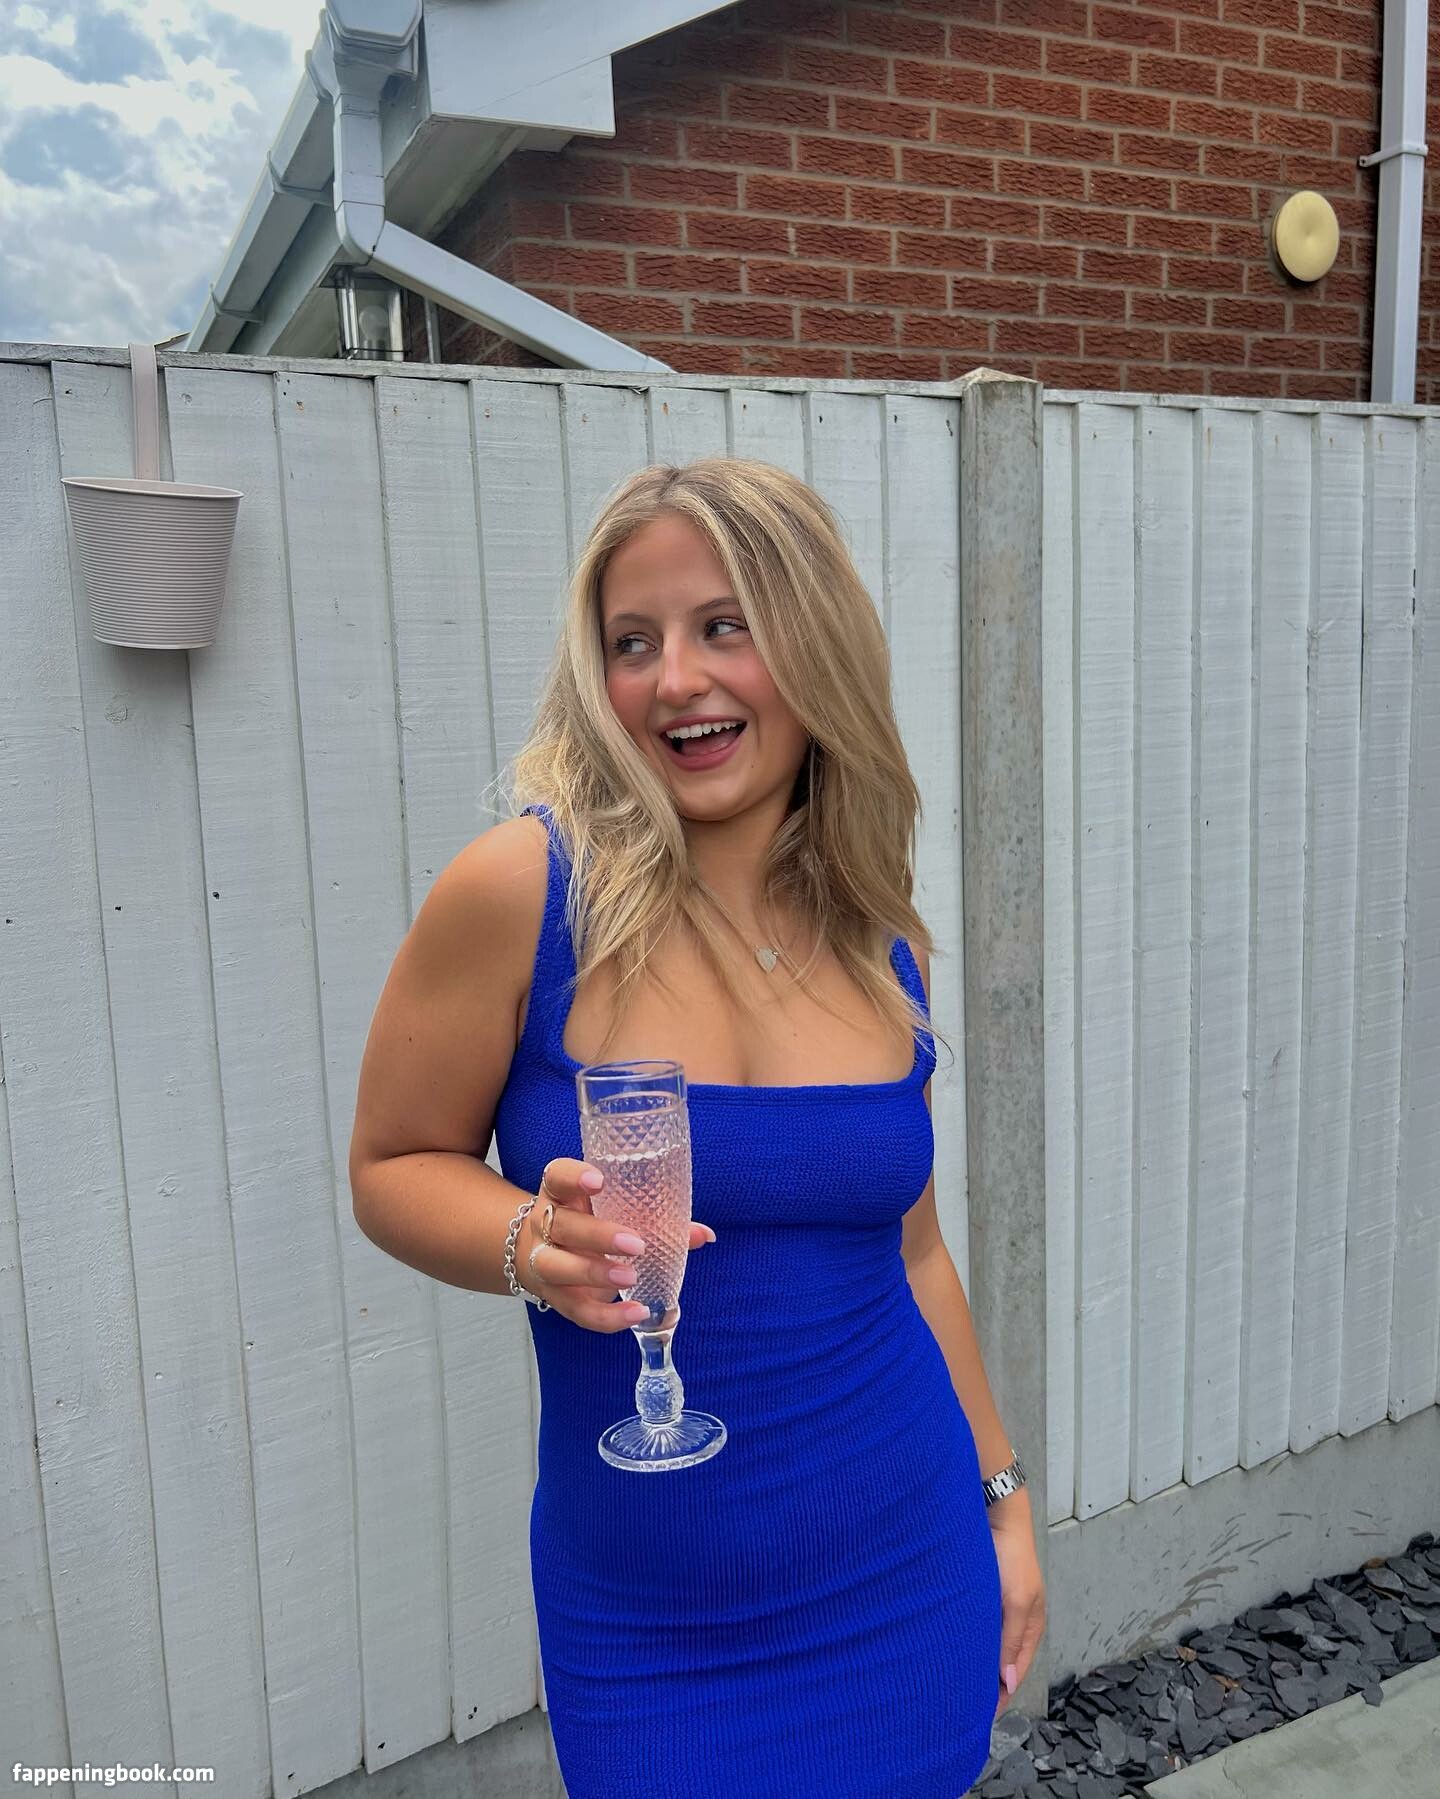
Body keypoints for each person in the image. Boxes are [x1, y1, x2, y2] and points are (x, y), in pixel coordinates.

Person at [349, 457, 1046, 1798]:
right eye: (634, 641)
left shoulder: (877, 937)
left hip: (907, 1565)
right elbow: (391, 1166)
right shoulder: (525, 894)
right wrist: (526, 1241)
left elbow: (914, 1257)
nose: (674, 679)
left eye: (725, 626)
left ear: (816, 644)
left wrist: (1004, 1508)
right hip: (652, 1617)